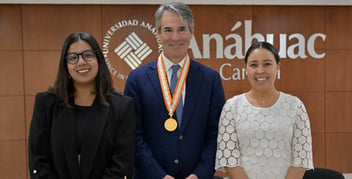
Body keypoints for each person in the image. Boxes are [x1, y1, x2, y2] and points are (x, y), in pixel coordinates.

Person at [124, 2, 225, 179]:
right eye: (168, 30)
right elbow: (133, 136)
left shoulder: (211, 80)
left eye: (182, 29)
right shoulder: (137, 79)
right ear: (158, 33)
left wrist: (199, 174)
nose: (176, 37)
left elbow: (216, 134)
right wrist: (159, 176)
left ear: (192, 32)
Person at [28, 32, 135, 179]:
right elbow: (38, 161)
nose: (81, 62)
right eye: (73, 58)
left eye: (88, 55)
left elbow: (122, 165)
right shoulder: (46, 104)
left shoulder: (122, 107)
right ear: (65, 65)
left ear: (98, 59)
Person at [215, 41, 314, 179]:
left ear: (277, 67)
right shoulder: (232, 107)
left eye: (267, 64)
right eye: (254, 65)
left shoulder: (295, 106)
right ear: (246, 69)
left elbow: (301, 158)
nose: (260, 70)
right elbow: (229, 159)